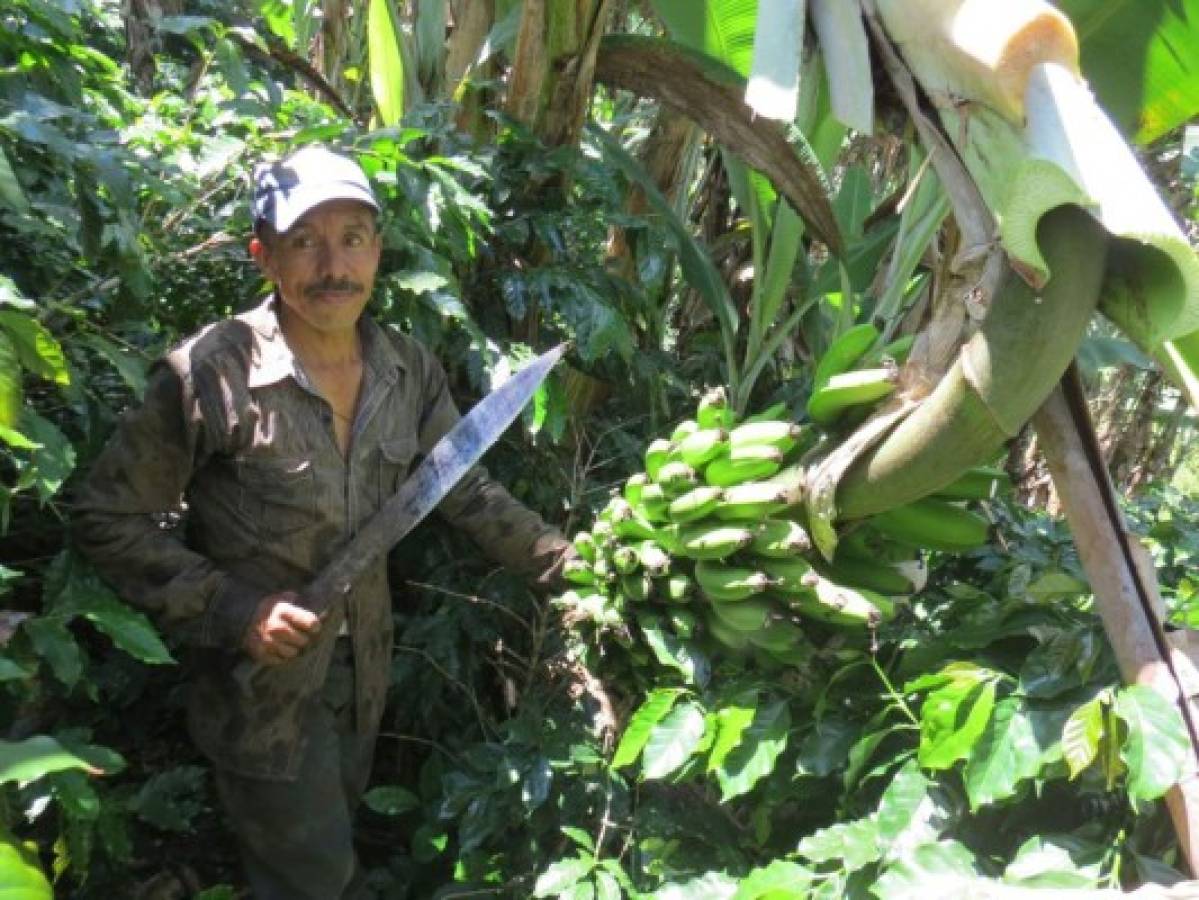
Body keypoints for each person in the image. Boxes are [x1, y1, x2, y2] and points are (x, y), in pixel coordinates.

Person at [72, 145, 573, 899]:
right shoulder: (211, 372)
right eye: (303, 241)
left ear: (378, 250)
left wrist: (562, 561)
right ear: (263, 256)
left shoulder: (408, 368)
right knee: (317, 881)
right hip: (259, 689)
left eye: (352, 237)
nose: (332, 266)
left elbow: (463, 491)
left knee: (318, 856)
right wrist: (238, 610)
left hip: (365, 667)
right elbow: (106, 515)